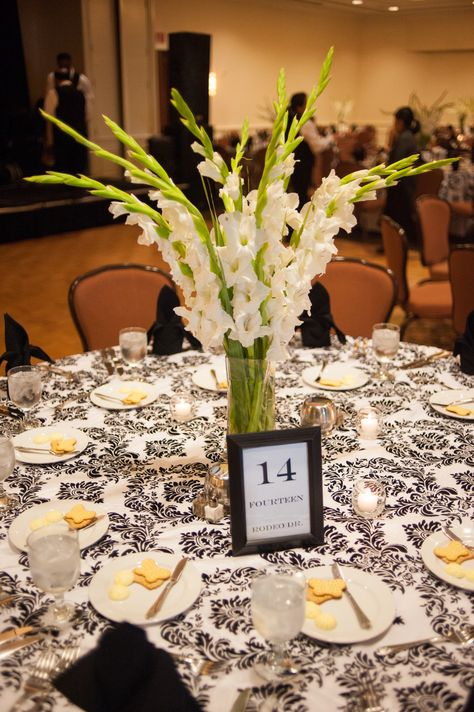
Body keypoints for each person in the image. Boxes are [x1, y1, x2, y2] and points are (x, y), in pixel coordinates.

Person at [287, 92, 333, 207]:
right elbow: (317, 145)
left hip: (291, 162)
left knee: (294, 192)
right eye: (307, 104)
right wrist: (331, 138)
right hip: (302, 164)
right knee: (302, 193)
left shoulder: (288, 120)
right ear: (299, 107)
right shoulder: (304, 122)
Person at [384, 106, 420, 243]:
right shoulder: (408, 137)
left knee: (396, 217)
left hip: (400, 185)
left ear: (400, 122)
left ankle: (395, 244)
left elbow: (397, 163)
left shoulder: (405, 138)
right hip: (404, 184)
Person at [43, 68, 88, 173]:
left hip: (61, 135)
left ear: (56, 80)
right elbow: (87, 115)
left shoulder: (53, 93)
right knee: (78, 168)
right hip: (79, 134)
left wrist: (49, 140)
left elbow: (49, 117)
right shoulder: (80, 94)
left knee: (64, 169)